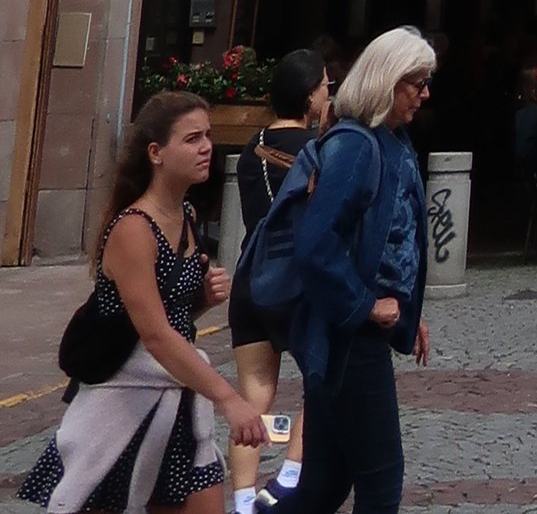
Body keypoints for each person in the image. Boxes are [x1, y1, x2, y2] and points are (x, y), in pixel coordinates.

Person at [21, 90, 261, 511]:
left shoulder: (184, 215)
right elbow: (153, 334)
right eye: (191, 139)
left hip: (176, 401)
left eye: (207, 135)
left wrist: (199, 302)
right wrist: (230, 399)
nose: (206, 146)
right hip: (122, 410)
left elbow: (163, 320)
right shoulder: (134, 228)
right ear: (156, 153)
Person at [282, 29, 434, 514]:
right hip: (348, 340)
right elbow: (315, 245)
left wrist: (409, 309)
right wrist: (366, 305)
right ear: (387, 81)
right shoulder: (356, 146)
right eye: (416, 82)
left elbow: (391, 243)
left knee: (324, 485)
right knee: (381, 480)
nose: (425, 94)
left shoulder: (392, 141)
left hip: (350, 335)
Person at [229, 49, 333, 500]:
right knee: (320, 384)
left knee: (254, 399)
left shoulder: (251, 148)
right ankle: (289, 478)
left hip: (251, 277)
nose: (330, 96)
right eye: (326, 87)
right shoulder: (321, 151)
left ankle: (243, 499)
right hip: (300, 282)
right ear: (310, 96)